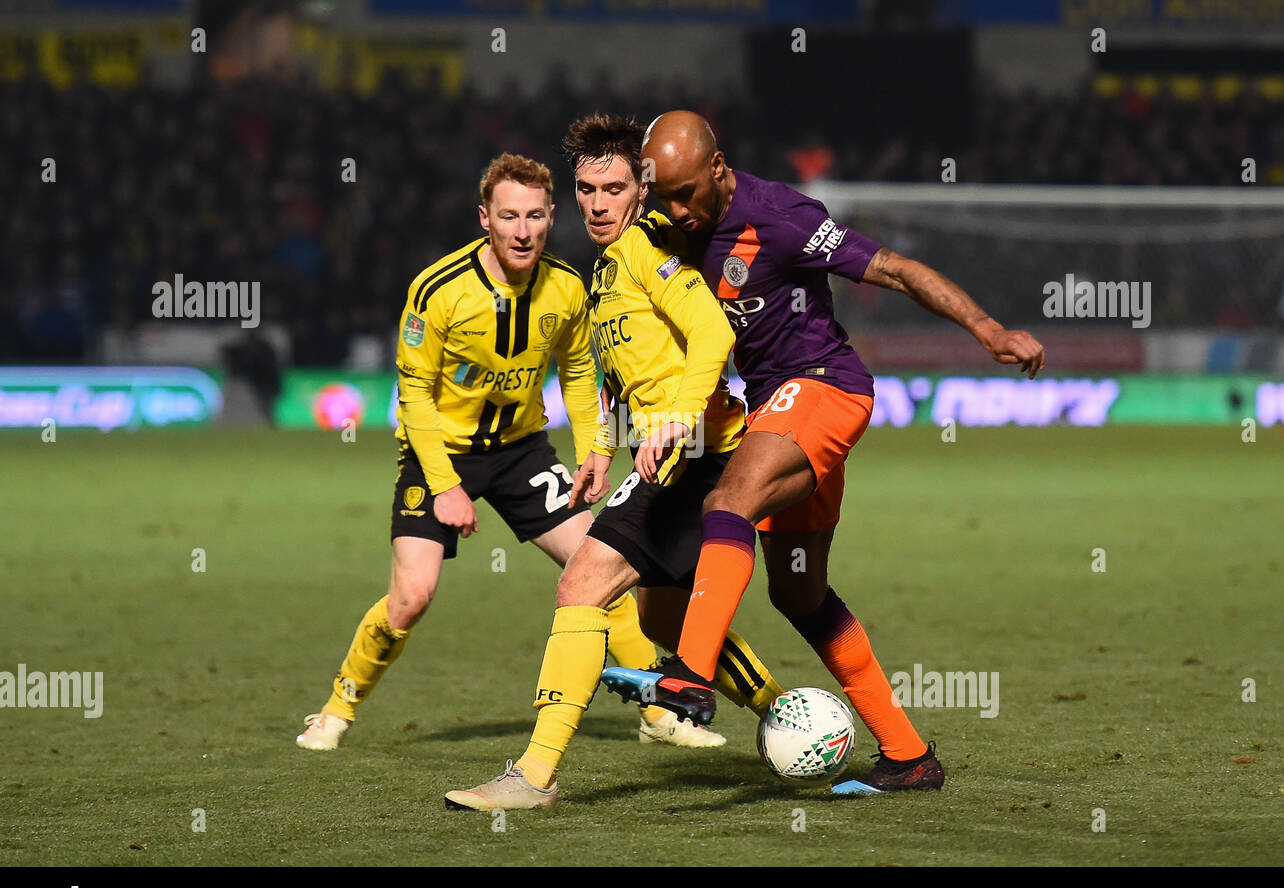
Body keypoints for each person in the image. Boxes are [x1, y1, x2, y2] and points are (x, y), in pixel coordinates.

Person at [601, 111, 1046, 794]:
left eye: (689, 192)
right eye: (666, 196)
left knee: (729, 500)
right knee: (798, 592)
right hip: (777, 410)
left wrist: (986, 328)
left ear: (719, 169)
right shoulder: (665, 231)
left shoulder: (777, 215)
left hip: (825, 387)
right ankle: (909, 756)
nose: (678, 209)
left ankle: (690, 675)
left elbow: (893, 270)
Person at [295, 153, 723, 752]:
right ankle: (336, 711)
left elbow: (578, 372)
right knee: (412, 596)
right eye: (509, 217)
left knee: (604, 566)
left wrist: (593, 451)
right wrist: (445, 485)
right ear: (485, 219)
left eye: (536, 217)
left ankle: (657, 715)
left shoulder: (567, 287)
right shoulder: (437, 290)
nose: (523, 231)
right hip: (439, 453)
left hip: (522, 452)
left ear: (551, 218)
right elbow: (413, 396)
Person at [444, 116, 783, 811]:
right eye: (586, 188)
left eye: (614, 187)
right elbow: (613, 373)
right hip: (676, 456)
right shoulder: (607, 265)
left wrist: (678, 420)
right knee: (662, 620)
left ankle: (533, 777)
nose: (597, 203)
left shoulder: (646, 248)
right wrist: (599, 449)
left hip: (697, 456)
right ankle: (789, 718)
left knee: (582, 584)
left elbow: (713, 329)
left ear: (642, 188)